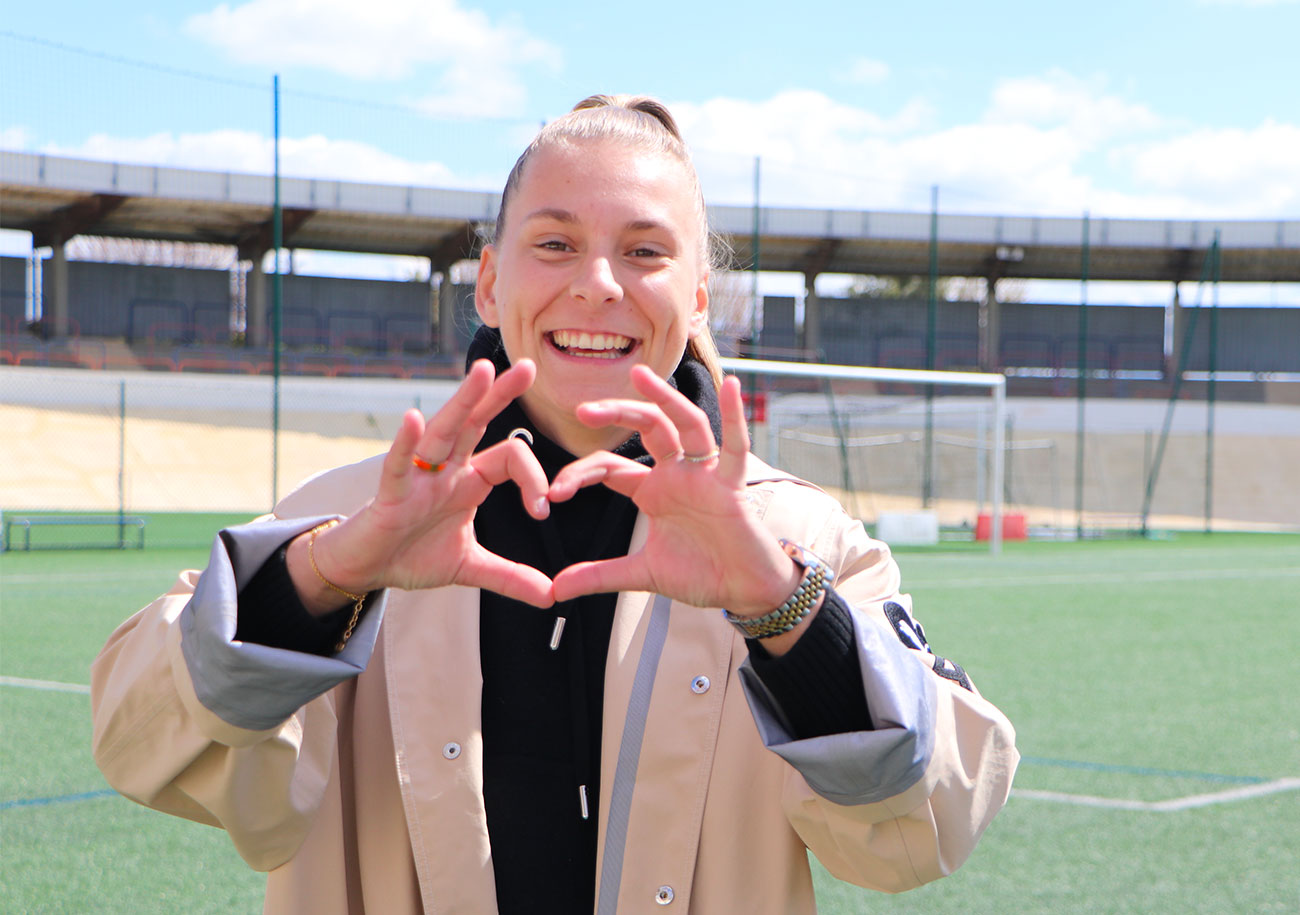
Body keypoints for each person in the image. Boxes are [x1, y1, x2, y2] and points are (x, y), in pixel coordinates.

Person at [91, 94, 1018, 915]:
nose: (600, 283)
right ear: (490, 281)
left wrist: (782, 609)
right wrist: (327, 576)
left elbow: (922, 830)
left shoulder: (795, 536)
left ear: (697, 299)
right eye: (556, 243)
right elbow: (139, 742)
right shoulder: (351, 515)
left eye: (645, 251)